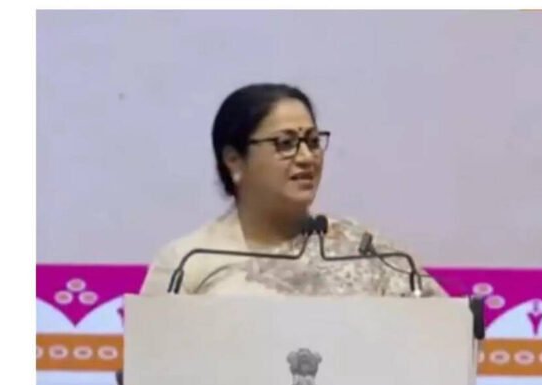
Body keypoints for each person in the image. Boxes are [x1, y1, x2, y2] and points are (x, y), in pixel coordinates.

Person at [140, 83, 444, 298]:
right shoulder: (188, 262)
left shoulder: (365, 249)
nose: (307, 157)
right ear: (234, 160)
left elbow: (447, 335)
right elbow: (151, 363)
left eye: (312, 141)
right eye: (285, 144)